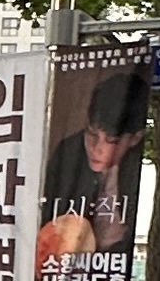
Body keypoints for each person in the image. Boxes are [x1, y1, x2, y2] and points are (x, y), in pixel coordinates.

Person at [38, 68, 149, 269]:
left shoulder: (136, 168)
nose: (96, 148)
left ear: (135, 138)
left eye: (111, 141)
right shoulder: (67, 154)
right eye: (91, 134)